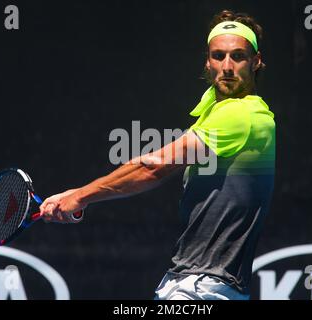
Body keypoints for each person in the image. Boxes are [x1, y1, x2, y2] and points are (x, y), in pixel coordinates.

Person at [39, 10, 275, 300]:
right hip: (207, 287)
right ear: (207, 61)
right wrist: (78, 192)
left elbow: (153, 168)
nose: (227, 66)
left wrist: (81, 197)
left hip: (203, 289)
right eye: (218, 55)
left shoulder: (243, 113)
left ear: (256, 61)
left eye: (238, 56)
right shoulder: (215, 111)